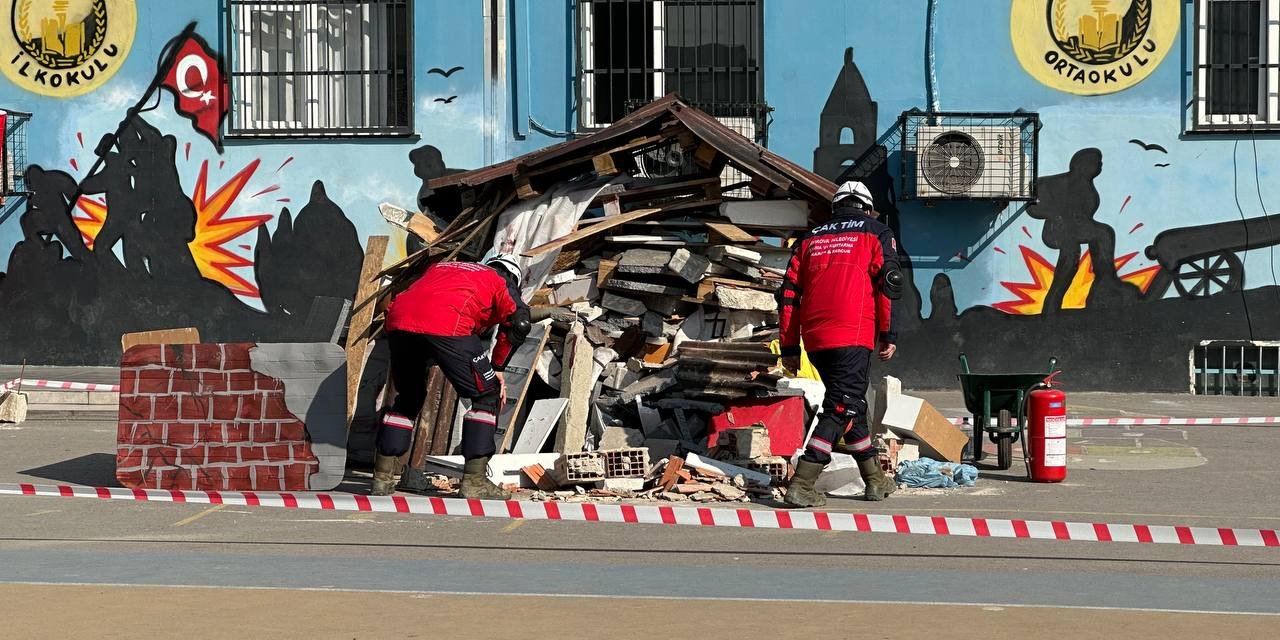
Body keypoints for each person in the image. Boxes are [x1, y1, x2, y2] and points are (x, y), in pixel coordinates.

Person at [777, 181, 904, 507]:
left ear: (835, 207)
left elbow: (789, 297)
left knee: (851, 406)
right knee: (842, 406)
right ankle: (802, 482)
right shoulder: (877, 232)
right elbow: (889, 287)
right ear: (866, 207)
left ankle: (875, 480)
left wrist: (790, 348)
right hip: (853, 334)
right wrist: (889, 334)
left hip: (816, 339)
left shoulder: (809, 239)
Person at [373, 255, 531, 499]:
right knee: (486, 396)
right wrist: (498, 365)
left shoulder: (442, 267)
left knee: (409, 397)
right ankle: (474, 481)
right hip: (448, 322)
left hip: (400, 321)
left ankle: (382, 477)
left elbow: (411, 293)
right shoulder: (500, 279)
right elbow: (519, 323)